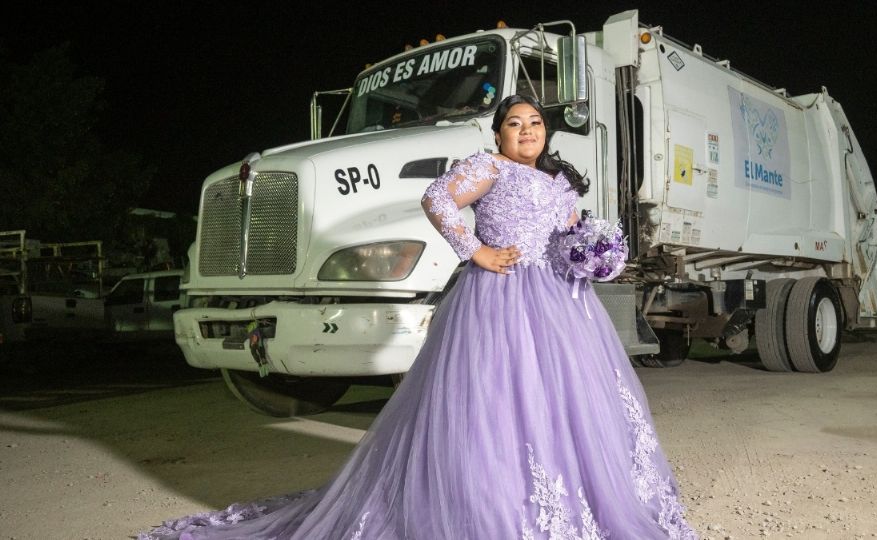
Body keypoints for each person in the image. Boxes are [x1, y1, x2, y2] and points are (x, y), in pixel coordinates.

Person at [140, 95, 697, 539]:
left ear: (545, 133)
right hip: (498, 295)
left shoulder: (558, 183)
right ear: (498, 133)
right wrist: (473, 250)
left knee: (566, 402)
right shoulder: (489, 167)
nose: (526, 130)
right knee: (496, 402)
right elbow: (436, 199)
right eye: (514, 123)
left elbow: (570, 233)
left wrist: (593, 255)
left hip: (557, 302)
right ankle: (491, 505)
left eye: (534, 122)